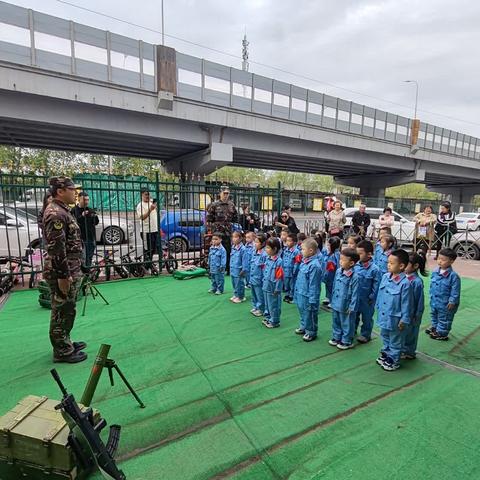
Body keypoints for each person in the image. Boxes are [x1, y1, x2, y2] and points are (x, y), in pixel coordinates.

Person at [43, 176, 86, 364]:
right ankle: (62, 350)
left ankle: (66, 342)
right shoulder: (55, 213)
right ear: (60, 191)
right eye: (72, 190)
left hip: (70, 267)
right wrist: (63, 275)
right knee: (62, 309)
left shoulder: (62, 210)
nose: (75, 193)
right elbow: (56, 248)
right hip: (62, 269)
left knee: (68, 307)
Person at [375, 249, 413, 371]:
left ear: (401, 266)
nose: (388, 265)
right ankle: (386, 354)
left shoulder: (405, 283)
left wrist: (404, 319)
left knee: (396, 339)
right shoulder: (385, 277)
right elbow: (380, 294)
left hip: (396, 318)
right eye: (388, 262)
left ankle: (394, 359)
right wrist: (378, 307)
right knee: (385, 335)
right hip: (384, 315)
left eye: (391, 263)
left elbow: (407, 303)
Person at [426, 247, 461, 341]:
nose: (440, 261)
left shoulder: (453, 276)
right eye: (439, 258)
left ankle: (442, 333)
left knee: (444, 317)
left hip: (446, 303)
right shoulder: (435, 271)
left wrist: (452, 301)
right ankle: (435, 327)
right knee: (434, 314)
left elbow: (455, 290)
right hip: (435, 300)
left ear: (451, 261)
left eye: (443, 260)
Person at [328, 248, 359, 350]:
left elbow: (355, 293)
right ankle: (337, 337)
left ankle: (347, 340)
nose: (340, 261)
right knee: (336, 321)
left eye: (343, 260)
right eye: (340, 259)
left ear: (351, 263)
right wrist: (331, 300)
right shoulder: (338, 271)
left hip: (346, 305)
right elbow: (334, 286)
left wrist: (352, 307)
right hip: (336, 302)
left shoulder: (355, 276)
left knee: (347, 323)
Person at [294, 238, 322, 342]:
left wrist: (313, 299)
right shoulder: (304, 262)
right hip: (301, 292)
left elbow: (314, 285)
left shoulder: (314, 265)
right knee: (302, 310)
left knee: (310, 313)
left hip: (308, 295)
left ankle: (311, 331)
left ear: (311, 251)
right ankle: (303, 326)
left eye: (303, 249)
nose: (301, 251)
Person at [205, 185, 239, 271]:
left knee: (228, 250)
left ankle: (227, 268)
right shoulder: (214, 205)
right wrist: (212, 229)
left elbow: (235, 218)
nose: (226, 195)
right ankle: (215, 267)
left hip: (228, 232)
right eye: (224, 193)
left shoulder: (231, 205)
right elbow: (209, 219)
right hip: (217, 232)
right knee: (216, 249)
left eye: (227, 193)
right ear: (220, 193)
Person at [355, 240, 381, 344]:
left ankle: (365, 334)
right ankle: (352, 330)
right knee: (353, 316)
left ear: (369, 254)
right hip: (356, 297)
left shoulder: (375, 269)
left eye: (360, 253)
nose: (358, 255)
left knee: (367, 318)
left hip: (367, 299)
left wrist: (372, 297)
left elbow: (376, 285)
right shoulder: (355, 265)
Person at [402, 251, 427, 359]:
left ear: (415, 266)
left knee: (411, 332)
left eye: (406, 264)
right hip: (402, 311)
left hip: (412, 313)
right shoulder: (402, 277)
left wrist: (417, 314)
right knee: (402, 332)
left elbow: (419, 300)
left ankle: (410, 352)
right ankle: (402, 349)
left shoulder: (417, 282)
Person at [71, 192, 99, 268]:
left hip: (90, 237)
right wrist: (82, 216)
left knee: (89, 257)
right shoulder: (74, 210)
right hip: (80, 238)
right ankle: (83, 272)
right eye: (84, 200)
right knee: (82, 258)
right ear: (79, 199)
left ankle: (88, 273)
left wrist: (94, 216)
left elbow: (96, 222)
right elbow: (73, 223)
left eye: (87, 200)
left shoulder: (90, 210)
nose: (86, 202)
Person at [262, 237, 284, 329]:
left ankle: (274, 321)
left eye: (267, 248)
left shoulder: (279, 262)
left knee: (273, 305)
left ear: (274, 249)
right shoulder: (268, 258)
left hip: (273, 287)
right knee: (267, 304)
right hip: (266, 285)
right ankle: (268, 317)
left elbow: (279, 277)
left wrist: (277, 289)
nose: (265, 249)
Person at [136, 188, 160, 273]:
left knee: (153, 249)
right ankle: (146, 267)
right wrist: (150, 210)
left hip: (154, 230)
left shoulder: (151, 204)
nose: (147, 196)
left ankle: (149, 265)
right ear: (141, 195)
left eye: (148, 194)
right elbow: (142, 217)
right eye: (146, 194)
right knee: (147, 250)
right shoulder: (140, 205)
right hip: (146, 231)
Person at [249, 233, 267, 317]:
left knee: (260, 295)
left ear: (263, 243)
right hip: (253, 276)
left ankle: (261, 309)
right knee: (254, 294)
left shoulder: (264, 254)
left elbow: (264, 269)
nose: (255, 244)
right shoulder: (254, 251)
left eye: (257, 242)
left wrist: (263, 279)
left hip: (259, 278)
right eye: (254, 242)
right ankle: (255, 306)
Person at [322, 236, 341, 307]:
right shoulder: (334, 253)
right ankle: (328, 297)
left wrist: (326, 275)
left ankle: (333, 301)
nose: (327, 246)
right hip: (331, 274)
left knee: (332, 287)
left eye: (328, 245)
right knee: (328, 287)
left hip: (332, 275)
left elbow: (330, 269)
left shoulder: (333, 256)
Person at [229, 231, 248, 303]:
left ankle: (241, 296)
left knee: (239, 283)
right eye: (233, 237)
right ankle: (236, 294)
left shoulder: (243, 249)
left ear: (240, 238)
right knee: (234, 282)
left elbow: (245, 260)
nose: (234, 239)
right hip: (233, 268)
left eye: (236, 237)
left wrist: (244, 269)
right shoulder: (233, 247)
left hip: (239, 269)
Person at [282, 233, 298, 303]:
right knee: (286, 283)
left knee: (292, 284)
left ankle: (292, 295)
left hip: (292, 271)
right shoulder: (285, 250)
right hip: (285, 270)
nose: (287, 242)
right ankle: (287, 294)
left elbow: (297, 262)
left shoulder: (296, 251)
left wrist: (294, 271)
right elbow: (283, 259)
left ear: (294, 242)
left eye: (289, 241)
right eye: (287, 241)